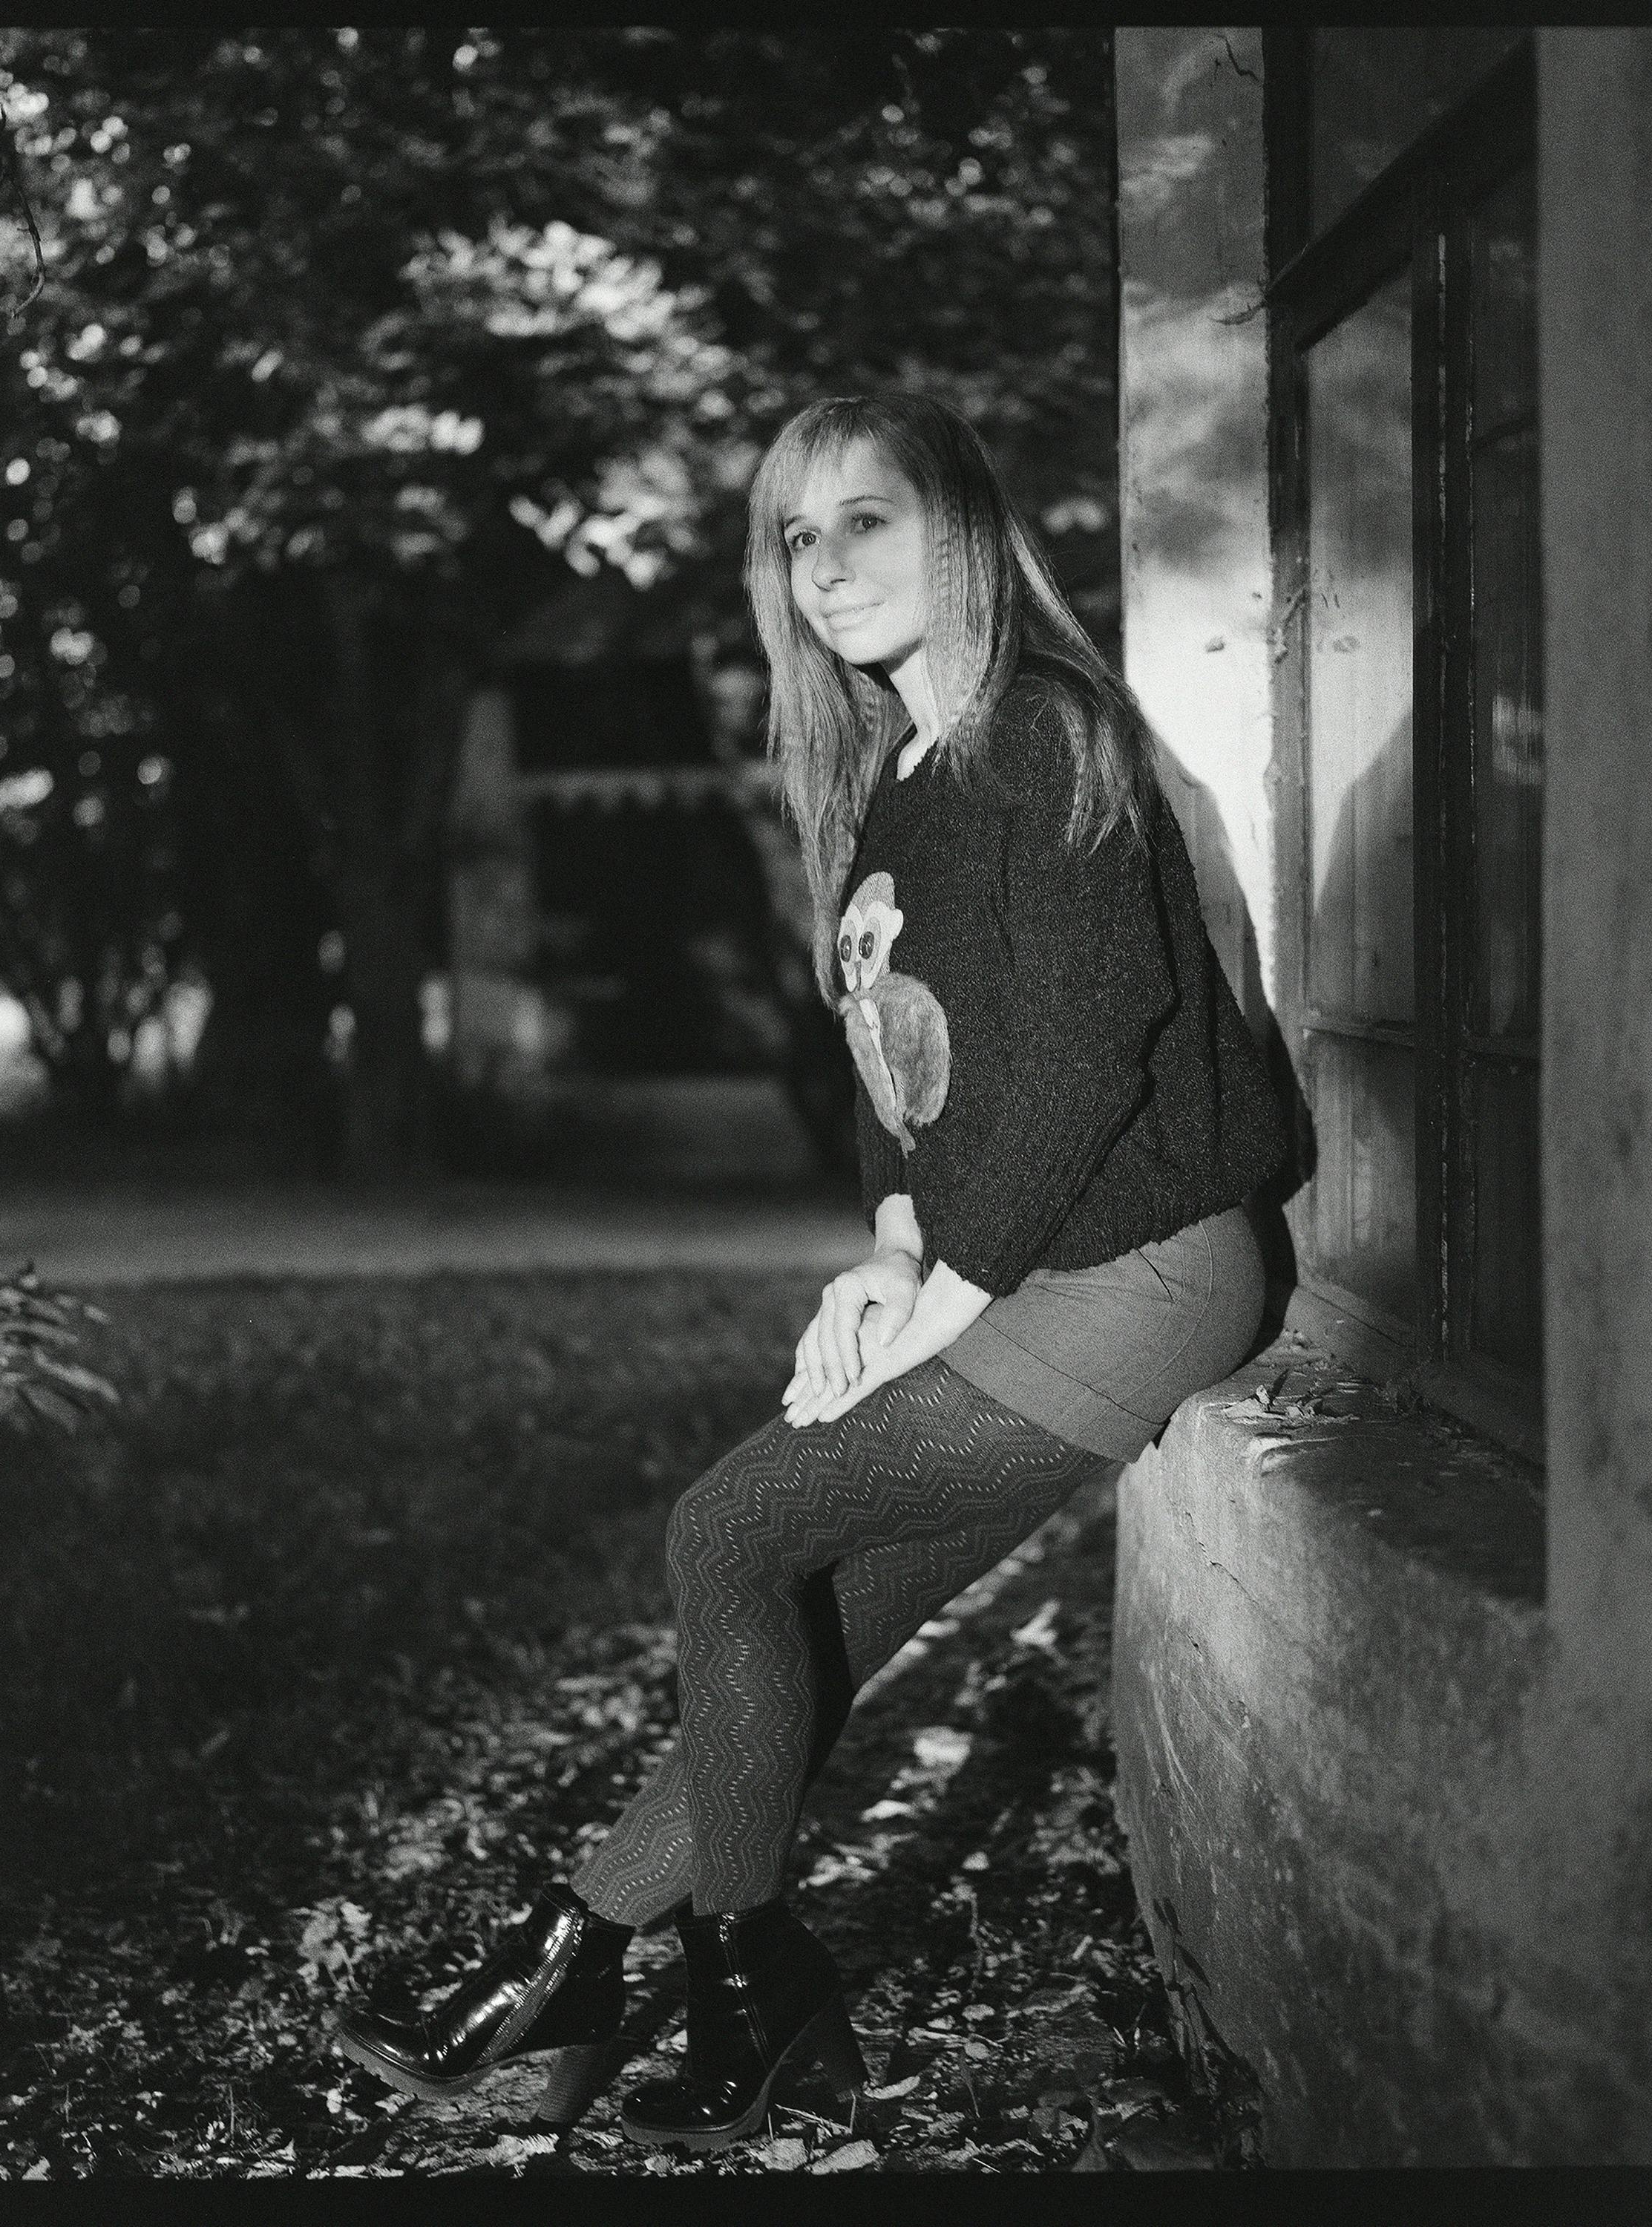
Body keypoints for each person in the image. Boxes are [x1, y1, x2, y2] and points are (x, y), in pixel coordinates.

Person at [331, 393, 1288, 2153]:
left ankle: (754, 1971)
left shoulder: (1041, 740)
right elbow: (915, 1075)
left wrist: (938, 1303)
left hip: (1135, 1264)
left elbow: (1085, 1058)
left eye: (869, 518)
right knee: (819, 1624)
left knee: (727, 1531)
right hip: (1028, 1255)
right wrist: (887, 1248)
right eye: (796, 535)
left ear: (965, 530)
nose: (828, 562)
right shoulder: (899, 781)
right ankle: (580, 1963)